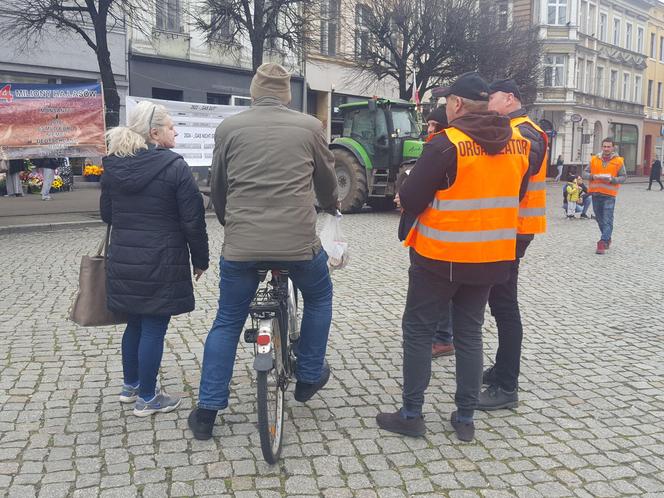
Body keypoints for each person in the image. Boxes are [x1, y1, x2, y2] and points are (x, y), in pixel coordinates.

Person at [375, 72, 530, 442]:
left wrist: (406, 188)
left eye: (447, 101)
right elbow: (517, 193)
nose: (445, 106)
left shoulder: (447, 144)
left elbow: (413, 199)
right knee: (470, 333)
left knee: (417, 330)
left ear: (457, 104)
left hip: (438, 257)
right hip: (491, 258)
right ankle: (464, 418)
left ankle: (412, 413)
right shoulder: (519, 144)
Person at [188, 63, 339, 441]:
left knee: (227, 320)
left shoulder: (230, 128)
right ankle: (308, 376)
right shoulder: (310, 128)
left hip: (242, 246)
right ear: (287, 94)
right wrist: (332, 204)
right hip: (299, 245)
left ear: (254, 92)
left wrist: (229, 223)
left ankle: (206, 412)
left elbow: (218, 185)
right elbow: (326, 181)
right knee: (319, 297)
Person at [100, 100, 209, 417]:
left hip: (124, 257)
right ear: (154, 132)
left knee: (134, 322)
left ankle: (130, 386)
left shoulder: (114, 165)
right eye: (172, 126)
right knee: (154, 327)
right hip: (161, 260)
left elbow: (107, 214)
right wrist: (199, 260)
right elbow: (193, 221)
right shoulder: (175, 167)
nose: (176, 132)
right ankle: (148, 398)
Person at [475, 79, 547, 412]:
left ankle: (507, 384)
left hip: (514, 230)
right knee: (499, 301)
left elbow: (514, 181)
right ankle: (502, 368)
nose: (488, 102)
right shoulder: (513, 128)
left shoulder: (526, 132)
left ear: (510, 98)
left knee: (504, 305)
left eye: (492, 97)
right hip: (508, 228)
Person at [583, 138, 626, 254]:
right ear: (602, 147)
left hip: (609, 195)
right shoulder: (594, 159)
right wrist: (593, 176)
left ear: (613, 148)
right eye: (604, 146)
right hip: (596, 193)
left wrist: (613, 179)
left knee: (607, 219)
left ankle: (602, 242)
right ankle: (607, 238)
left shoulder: (618, 161)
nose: (606, 149)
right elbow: (584, 173)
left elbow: (623, 177)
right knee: (599, 218)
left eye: (608, 147)